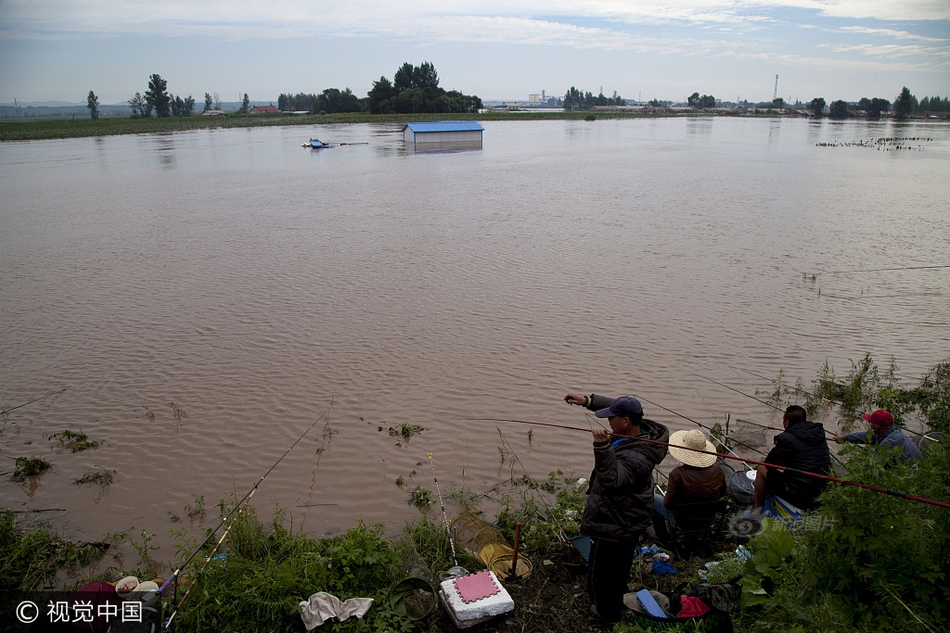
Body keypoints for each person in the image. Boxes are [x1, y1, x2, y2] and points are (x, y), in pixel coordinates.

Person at [564, 392, 669, 622]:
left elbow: (611, 480)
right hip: (622, 518)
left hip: (616, 523)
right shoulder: (641, 428)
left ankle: (606, 613)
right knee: (615, 569)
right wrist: (588, 401)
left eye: (612, 418)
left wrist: (602, 448)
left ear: (625, 421)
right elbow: (619, 407)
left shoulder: (637, 457)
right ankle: (614, 599)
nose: (608, 421)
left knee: (602, 573)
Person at [747, 405, 830, 519]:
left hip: (799, 494)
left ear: (786, 421)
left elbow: (769, 464)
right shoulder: (818, 434)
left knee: (762, 469)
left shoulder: (786, 438)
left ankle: (758, 508)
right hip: (822, 489)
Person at [652, 429, 725, 537]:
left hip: (685, 521)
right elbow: (722, 492)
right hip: (709, 519)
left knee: (651, 498)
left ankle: (661, 535)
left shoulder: (677, 474)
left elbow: (668, 504)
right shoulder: (718, 469)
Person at [833, 409, 922, 461]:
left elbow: (874, 465)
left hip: (912, 472)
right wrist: (846, 438)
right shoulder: (894, 431)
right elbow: (868, 436)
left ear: (877, 425)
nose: (870, 425)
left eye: (871, 422)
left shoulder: (888, 443)